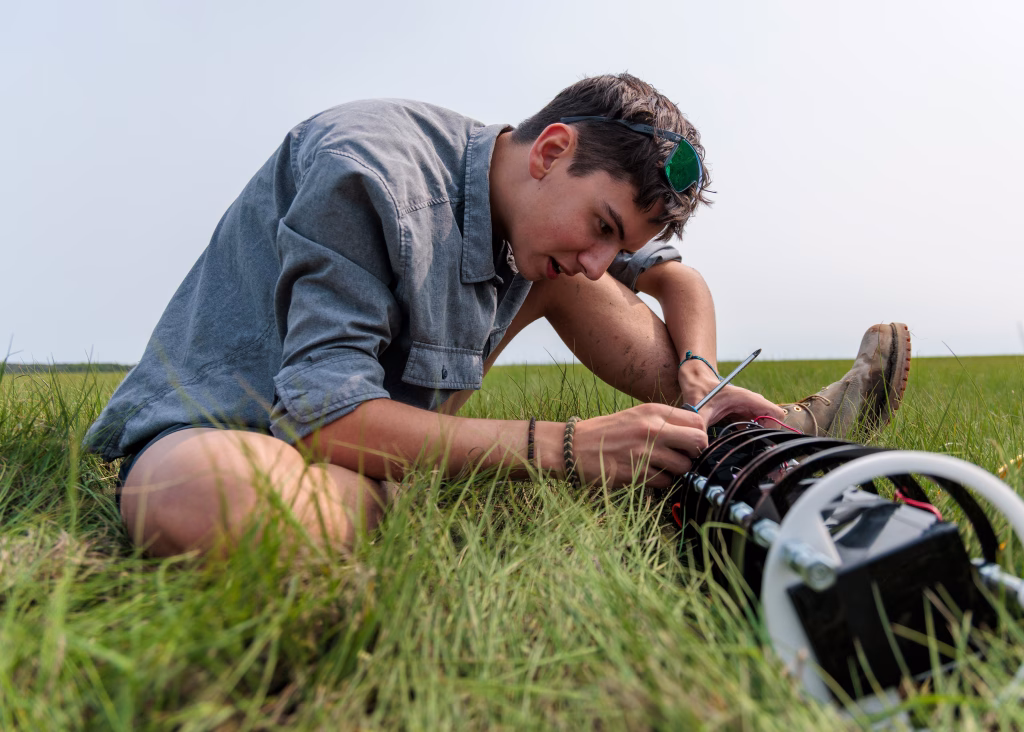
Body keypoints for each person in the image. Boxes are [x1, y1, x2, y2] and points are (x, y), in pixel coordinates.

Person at [84, 74, 912, 557]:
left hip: (379, 437)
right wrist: (569, 448)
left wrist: (698, 369)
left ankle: (747, 443)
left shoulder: (540, 212)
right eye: (602, 227)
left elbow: (678, 282)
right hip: (250, 431)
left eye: (620, 243)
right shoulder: (367, 173)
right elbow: (320, 415)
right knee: (201, 497)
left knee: (566, 275)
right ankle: (403, 500)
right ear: (552, 150)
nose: (603, 260)